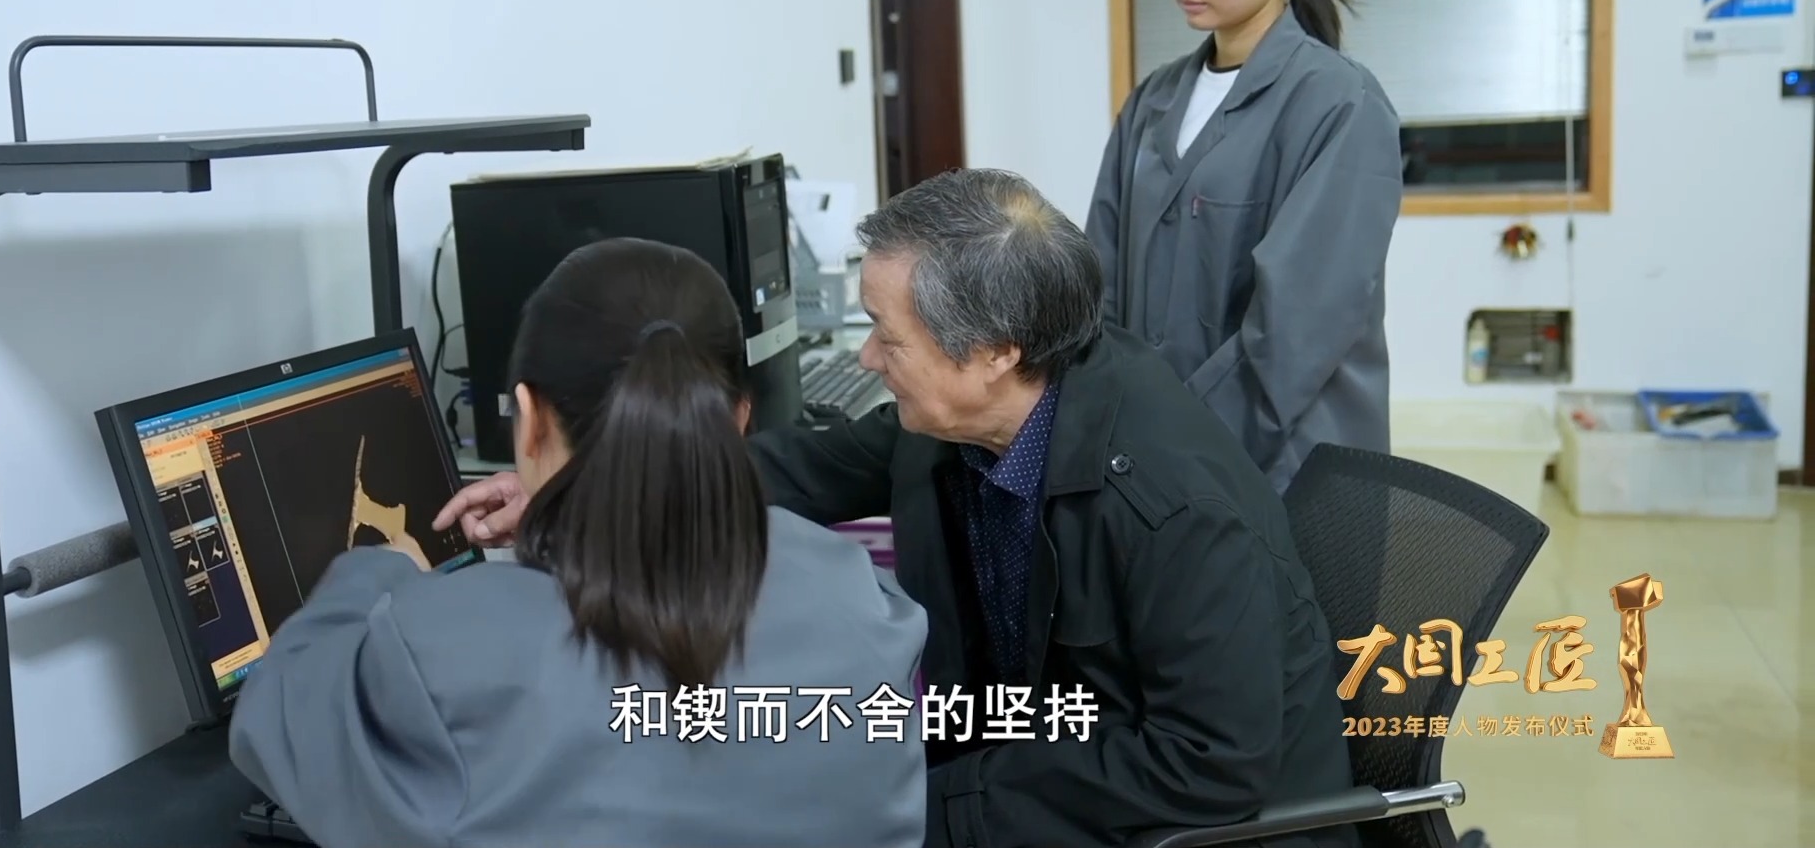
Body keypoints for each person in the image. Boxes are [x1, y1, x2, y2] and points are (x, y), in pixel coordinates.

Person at [443, 171, 1358, 848]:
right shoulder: (982, 413)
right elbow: (811, 466)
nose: (868, 358)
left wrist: (946, 804)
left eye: (889, 336)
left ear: (994, 351)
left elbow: (1209, 764)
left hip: (1194, 827)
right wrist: (583, 481)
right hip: (1038, 763)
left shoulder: (1173, 508)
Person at [230, 237, 928, 848]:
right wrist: (597, 504)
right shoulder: (863, 595)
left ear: (529, 416)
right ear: (740, 418)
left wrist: (378, 571)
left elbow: (278, 717)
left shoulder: (440, 653)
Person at [1086, 0, 1403, 493]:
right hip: (1152, 469)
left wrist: (1174, 452)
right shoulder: (1152, 102)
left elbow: (1294, 333)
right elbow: (1101, 284)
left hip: (1285, 475)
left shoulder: (1338, 103)